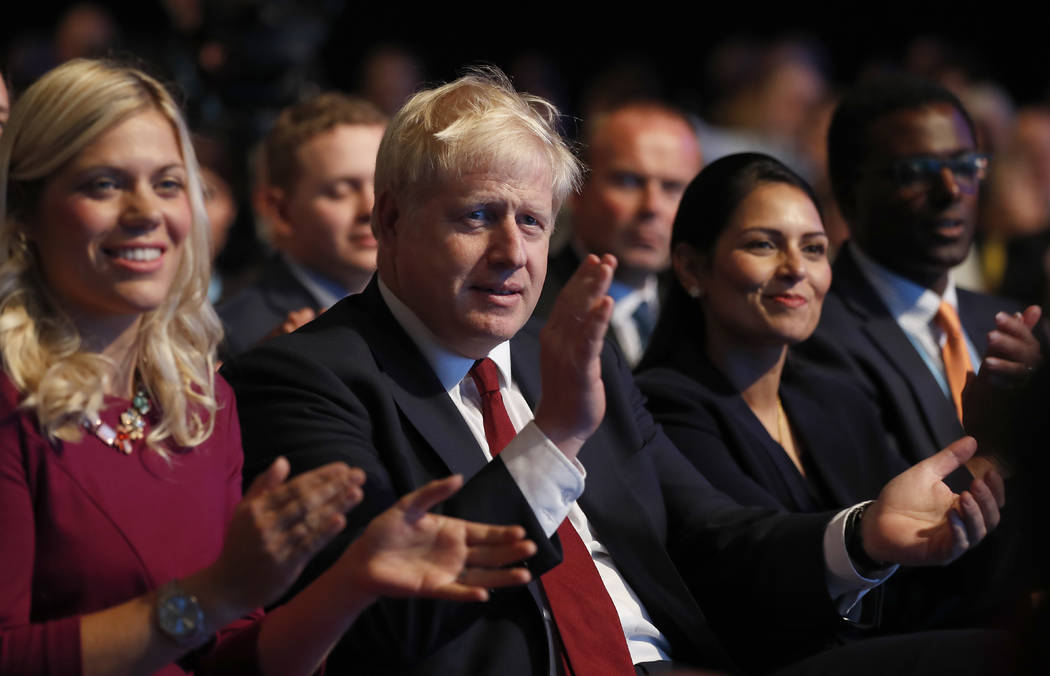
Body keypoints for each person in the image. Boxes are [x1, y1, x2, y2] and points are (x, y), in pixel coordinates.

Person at [223, 68, 1010, 676]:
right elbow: (379, 624)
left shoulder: (558, 353)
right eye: (476, 216)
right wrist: (555, 435)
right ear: (389, 220)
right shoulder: (304, 377)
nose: (513, 254)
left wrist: (863, 535)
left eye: (532, 221)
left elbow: (710, 535)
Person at [0, 59, 536, 676]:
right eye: (103, 184)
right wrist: (212, 595)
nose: (146, 211)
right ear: (24, 211)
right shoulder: (12, 402)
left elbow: (237, 658)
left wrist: (352, 583)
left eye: (170, 183)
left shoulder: (202, 405)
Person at [635, 152, 1039, 632]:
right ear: (690, 268)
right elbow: (743, 562)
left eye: (813, 248)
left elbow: (912, 579)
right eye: (763, 244)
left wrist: (1003, 450)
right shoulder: (661, 405)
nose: (796, 268)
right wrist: (867, 535)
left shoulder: (830, 395)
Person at [797, 74, 1042, 464]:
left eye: (966, 166)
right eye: (915, 172)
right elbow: (883, 506)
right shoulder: (811, 335)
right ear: (846, 192)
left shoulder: (1018, 329)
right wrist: (996, 446)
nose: (950, 191)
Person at [534, 101, 702, 365]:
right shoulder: (530, 312)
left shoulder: (705, 313)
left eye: (672, 187)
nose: (652, 206)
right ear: (576, 188)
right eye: (629, 181)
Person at [218, 93, 386, 356]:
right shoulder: (233, 335)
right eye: (340, 191)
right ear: (280, 211)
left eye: (382, 185)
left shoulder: (421, 309)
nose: (370, 208)